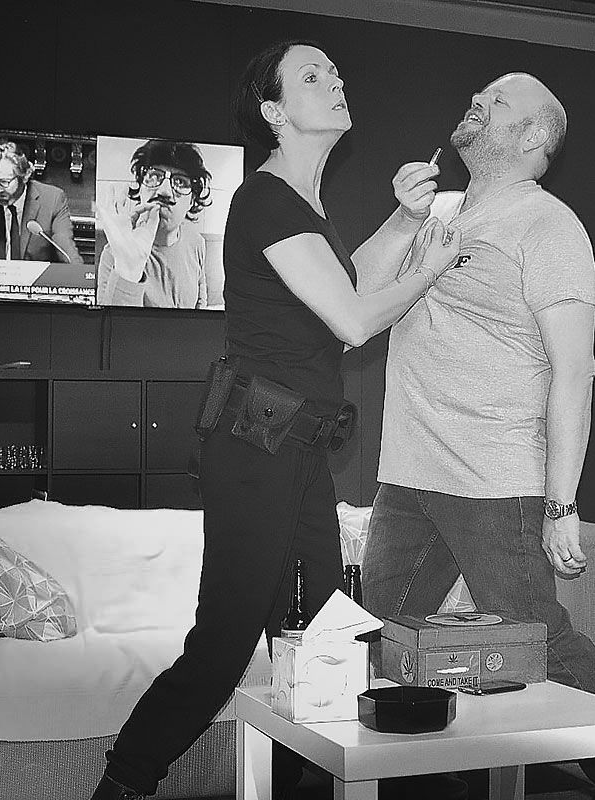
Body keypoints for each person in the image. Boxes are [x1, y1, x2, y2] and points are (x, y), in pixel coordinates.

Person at [90, 40, 460, 800]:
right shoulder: (263, 200)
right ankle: (123, 784)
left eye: (336, 73)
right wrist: (430, 267)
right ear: (274, 110)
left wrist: (403, 220)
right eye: (312, 77)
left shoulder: (299, 206)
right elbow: (353, 320)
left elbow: (342, 289)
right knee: (224, 647)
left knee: (324, 639)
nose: (335, 82)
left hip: (294, 451)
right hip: (256, 450)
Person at [359, 72, 595, 798]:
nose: (476, 102)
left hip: (494, 480)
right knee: (382, 635)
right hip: (408, 473)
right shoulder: (437, 211)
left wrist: (560, 503)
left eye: (498, 101)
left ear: (534, 136)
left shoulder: (550, 226)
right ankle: (406, 780)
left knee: (538, 641)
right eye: (478, 94)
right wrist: (402, 218)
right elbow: (356, 299)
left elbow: (575, 371)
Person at [95, 139, 215, 308]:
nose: (164, 191)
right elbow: (112, 322)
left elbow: (200, 305)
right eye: (154, 176)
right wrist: (128, 269)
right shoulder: (114, 254)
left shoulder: (197, 243)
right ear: (141, 189)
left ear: (191, 201)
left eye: (180, 182)